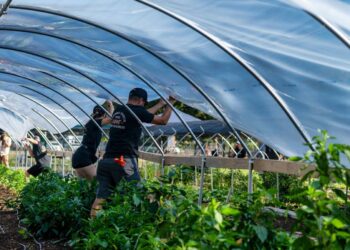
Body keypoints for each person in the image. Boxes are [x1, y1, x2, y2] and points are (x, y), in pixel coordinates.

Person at [91, 88, 175, 217]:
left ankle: (92, 228)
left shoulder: (120, 110)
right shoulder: (136, 111)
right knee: (137, 196)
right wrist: (171, 103)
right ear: (141, 100)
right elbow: (163, 120)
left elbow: (142, 114)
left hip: (106, 161)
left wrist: (159, 104)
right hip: (123, 161)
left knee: (101, 198)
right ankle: (138, 226)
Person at [72, 100, 114, 180]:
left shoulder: (91, 123)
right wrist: (110, 105)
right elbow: (111, 119)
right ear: (104, 115)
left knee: (86, 186)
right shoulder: (95, 122)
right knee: (96, 183)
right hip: (83, 156)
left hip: (80, 155)